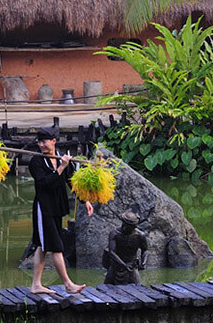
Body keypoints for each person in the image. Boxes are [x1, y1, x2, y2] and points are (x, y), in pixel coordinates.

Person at [29, 126, 93, 294]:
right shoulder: (36, 162)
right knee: (56, 246)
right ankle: (68, 284)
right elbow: (44, 183)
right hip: (44, 208)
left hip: (57, 207)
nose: (41, 145)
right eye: (39, 142)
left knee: (42, 247)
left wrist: (84, 200)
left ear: (54, 141)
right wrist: (61, 168)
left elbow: (71, 182)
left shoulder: (61, 158)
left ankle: (36, 284)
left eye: (44, 142)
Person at [103, 211, 148, 285]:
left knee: (137, 288)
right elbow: (112, 252)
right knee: (106, 288)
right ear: (124, 224)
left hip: (131, 267)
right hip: (116, 267)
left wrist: (144, 262)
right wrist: (124, 265)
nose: (134, 228)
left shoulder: (140, 235)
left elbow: (145, 250)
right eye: (132, 226)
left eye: (135, 226)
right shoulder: (115, 234)